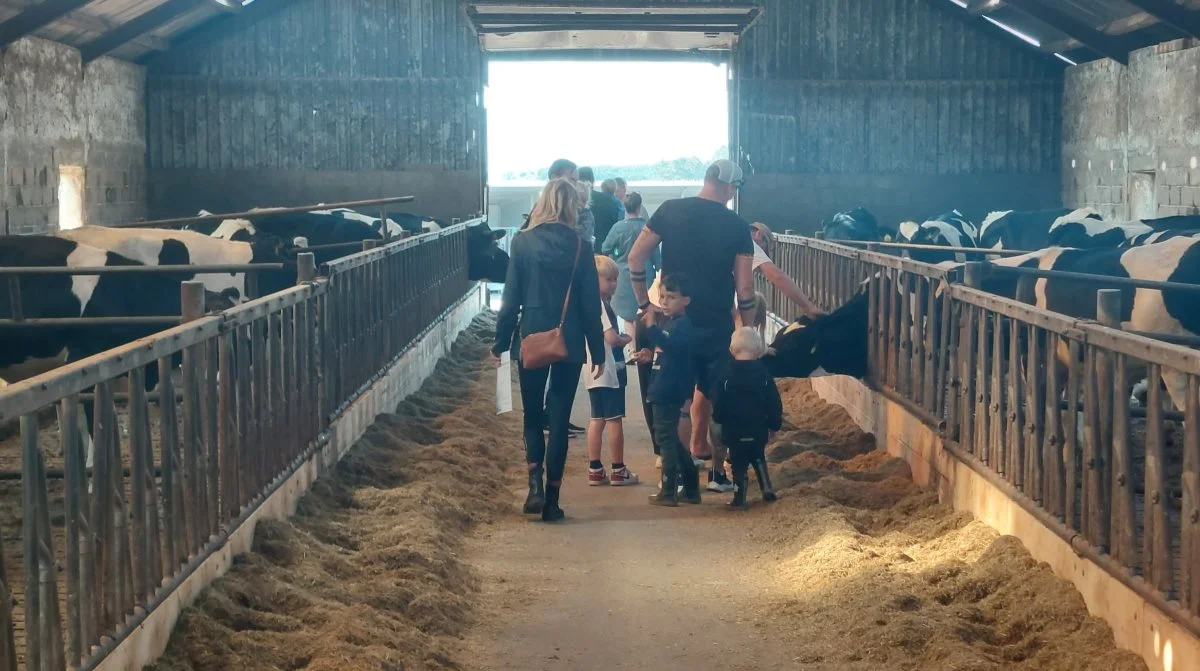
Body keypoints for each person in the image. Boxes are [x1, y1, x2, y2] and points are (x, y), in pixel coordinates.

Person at [627, 159, 758, 495]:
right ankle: (716, 473)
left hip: (675, 321)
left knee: (678, 403)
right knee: (714, 397)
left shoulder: (670, 210)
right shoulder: (737, 225)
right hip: (715, 325)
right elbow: (745, 289)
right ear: (729, 187)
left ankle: (677, 478)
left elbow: (635, 258)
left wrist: (646, 305)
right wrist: (748, 330)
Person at [493, 178, 606, 523]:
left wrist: (500, 342)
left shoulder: (522, 243)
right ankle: (553, 501)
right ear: (572, 206)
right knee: (558, 419)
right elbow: (590, 304)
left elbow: (510, 300)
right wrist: (597, 351)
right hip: (569, 340)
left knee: (531, 415)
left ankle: (534, 486)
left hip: (531, 337)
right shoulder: (580, 246)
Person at [636, 273, 703, 507]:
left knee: (665, 438)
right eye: (662, 296)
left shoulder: (683, 325)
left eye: (671, 297)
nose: (664, 302)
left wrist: (651, 326)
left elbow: (671, 346)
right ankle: (691, 486)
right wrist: (648, 355)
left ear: (686, 300)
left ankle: (669, 488)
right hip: (662, 385)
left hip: (669, 389)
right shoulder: (672, 324)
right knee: (670, 438)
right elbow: (666, 351)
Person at [710, 327, 781, 509]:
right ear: (759, 351)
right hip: (758, 427)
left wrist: (719, 419)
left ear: (732, 351)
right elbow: (774, 402)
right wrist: (774, 425)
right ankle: (766, 486)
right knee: (758, 456)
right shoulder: (765, 376)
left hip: (733, 429)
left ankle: (739, 498)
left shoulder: (725, 377)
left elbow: (718, 402)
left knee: (738, 464)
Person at [585, 255, 639, 486]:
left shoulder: (587, 303)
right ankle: (618, 469)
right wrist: (625, 339)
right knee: (615, 420)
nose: (614, 284)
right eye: (608, 279)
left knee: (597, 419)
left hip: (591, 370)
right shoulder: (602, 306)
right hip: (609, 369)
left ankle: (595, 468)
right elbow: (610, 337)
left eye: (615, 279)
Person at [748, 222, 824, 319]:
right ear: (759, 234)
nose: (764, 252)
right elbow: (777, 276)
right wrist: (808, 307)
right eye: (765, 247)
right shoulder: (751, 244)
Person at [580, 167, 621, 253]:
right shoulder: (609, 200)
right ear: (593, 180)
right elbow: (616, 225)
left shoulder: (572, 203)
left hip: (581, 252)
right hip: (605, 250)